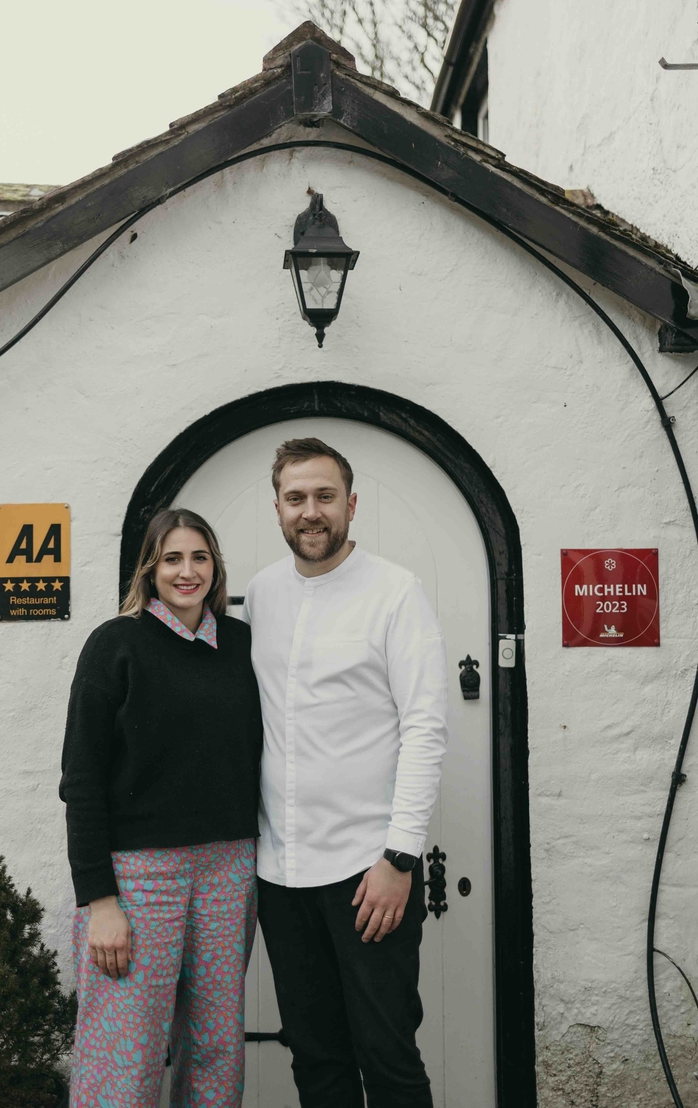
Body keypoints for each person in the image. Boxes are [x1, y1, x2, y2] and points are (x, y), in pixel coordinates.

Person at [243, 438, 449, 1108]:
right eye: (296, 497)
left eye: (325, 496)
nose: (311, 511)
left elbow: (425, 728)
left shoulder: (396, 592)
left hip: (369, 873)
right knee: (316, 1056)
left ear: (351, 504)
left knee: (387, 1053)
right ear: (276, 507)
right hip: (281, 873)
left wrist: (398, 857)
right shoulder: (262, 594)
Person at [59, 507, 262, 1108]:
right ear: (149, 570)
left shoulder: (241, 644)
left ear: (216, 567)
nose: (186, 571)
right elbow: (82, 780)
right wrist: (100, 900)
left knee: (216, 1046)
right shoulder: (115, 645)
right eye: (172, 558)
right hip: (140, 878)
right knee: (126, 1049)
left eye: (199, 557)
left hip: (229, 869)